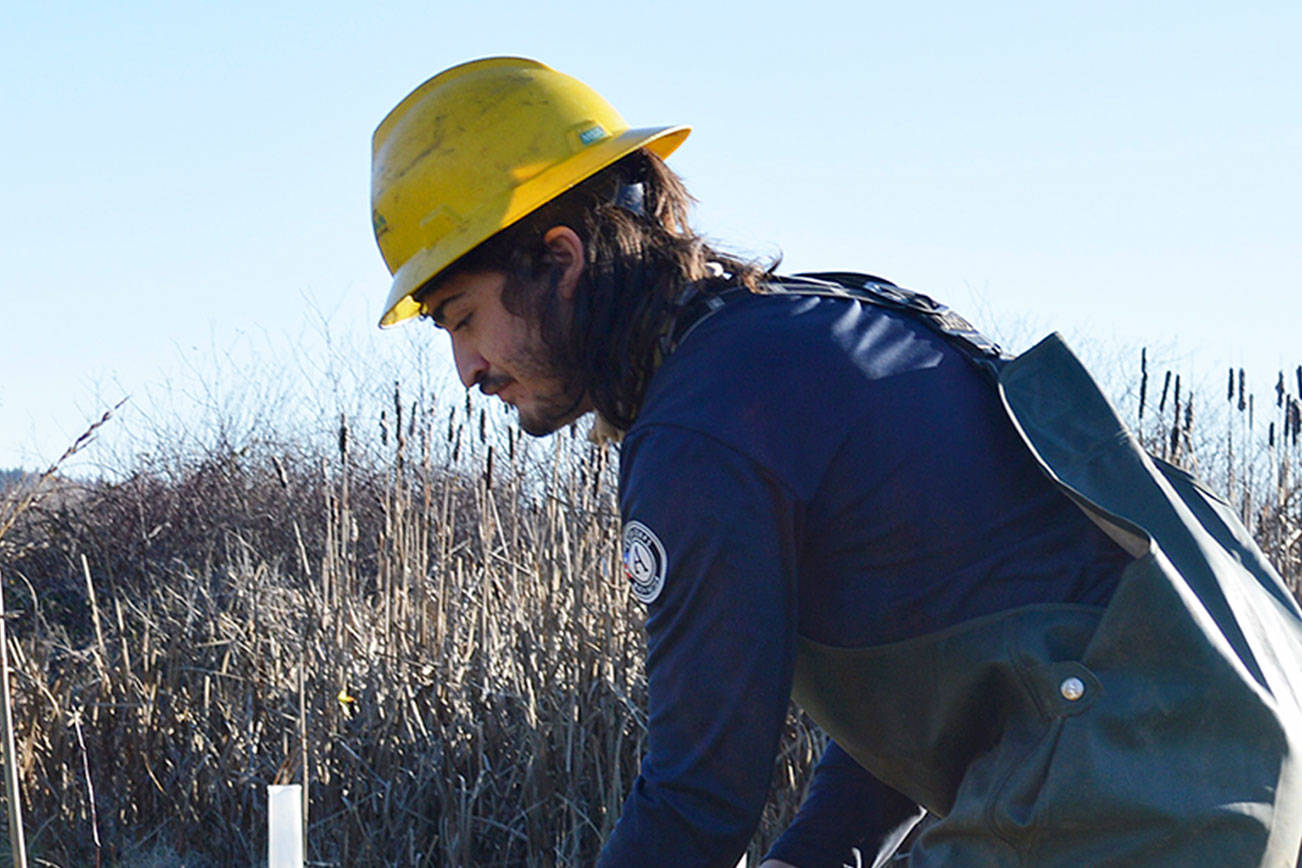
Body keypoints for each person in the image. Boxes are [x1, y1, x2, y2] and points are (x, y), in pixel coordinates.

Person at [369, 57, 1302, 867]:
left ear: (562, 259)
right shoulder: (817, 332)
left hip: (1133, 789)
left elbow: (697, 798)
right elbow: (945, 659)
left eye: (461, 318)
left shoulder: (704, 428)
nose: (467, 370)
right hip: (1230, 752)